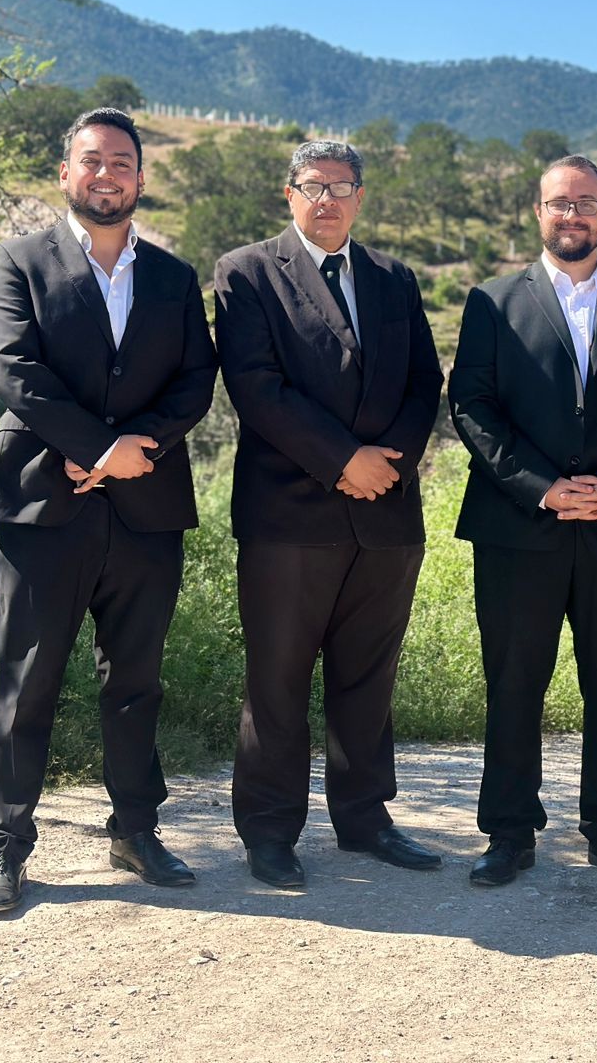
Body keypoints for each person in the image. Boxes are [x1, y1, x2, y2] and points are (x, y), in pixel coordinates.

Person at [0, 107, 218, 914]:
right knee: (27, 680)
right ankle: (7, 847)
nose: (105, 174)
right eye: (91, 160)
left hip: (146, 505)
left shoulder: (176, 280)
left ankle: (135, 829)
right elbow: (12, 369)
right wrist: (91, 444)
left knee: (136, 682)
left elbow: (193, 383)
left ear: (141, 179)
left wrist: (128, 447)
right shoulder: (18, 261)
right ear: (66, 173)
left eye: (121, 162)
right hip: (44, 502)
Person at [448, 154, 597, 887]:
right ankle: (508, 834)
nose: (572, 215)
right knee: (514, 681)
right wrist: (542, 488)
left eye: (586, 203)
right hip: (519, 527)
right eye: (559, 203)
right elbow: (472, 407)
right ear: (537, 213)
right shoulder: (491, 301)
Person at [213, 141, 443, 888]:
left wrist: (388, 466)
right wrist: (345, 461)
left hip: (386, 515)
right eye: (314, 186)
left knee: (368, 678)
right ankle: (272, 831)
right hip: (289, 515)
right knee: (277, 680)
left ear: (361, 196)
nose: (328, 200)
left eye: (342, 186)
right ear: (289, 194)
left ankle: (366, 819)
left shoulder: (394, 279)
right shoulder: (247, 273)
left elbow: (424, 384)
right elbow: (256, 386)